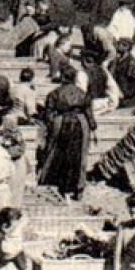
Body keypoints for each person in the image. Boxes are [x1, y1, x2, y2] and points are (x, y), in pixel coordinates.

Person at [37, 69, 94, 200]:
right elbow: (89, 115)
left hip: (61, 121)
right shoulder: (83, 94)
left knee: (56, 152)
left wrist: (49, 125)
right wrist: (92, 126)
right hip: (80, 123)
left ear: (63, 77)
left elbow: (48, 113)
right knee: (80, 155)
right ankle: (78, 187)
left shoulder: (54, 93)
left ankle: (52, 181)